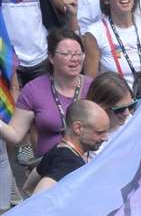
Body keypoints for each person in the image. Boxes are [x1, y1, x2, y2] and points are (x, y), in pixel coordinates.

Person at [0, 29, 90, 158]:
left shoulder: (93, 87)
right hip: (50, 168)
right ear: (51, 57)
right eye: (67, 54)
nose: (74, 59)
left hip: (89, 166)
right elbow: (15, 134)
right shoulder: (33, 90)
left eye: (78, 53)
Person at [28, 98, 108, 193]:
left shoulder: (57, 149)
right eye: (99, 133)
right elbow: (36, 201)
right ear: (78, 128)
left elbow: (28, 186)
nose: (105, 138)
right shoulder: (70, 163)